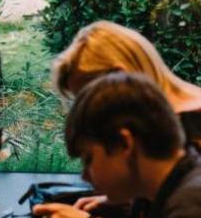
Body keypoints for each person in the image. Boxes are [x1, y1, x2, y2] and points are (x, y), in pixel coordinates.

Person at [34, 72, 201, 218]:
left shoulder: (189, 206)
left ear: (124, 143)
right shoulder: (166, 191)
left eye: (89, 158)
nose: (85, 176)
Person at [53, 20, 201, 148]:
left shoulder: (191, 122)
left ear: (122, 77)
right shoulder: (147, 124)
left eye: (91, 98)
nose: (90, 112)